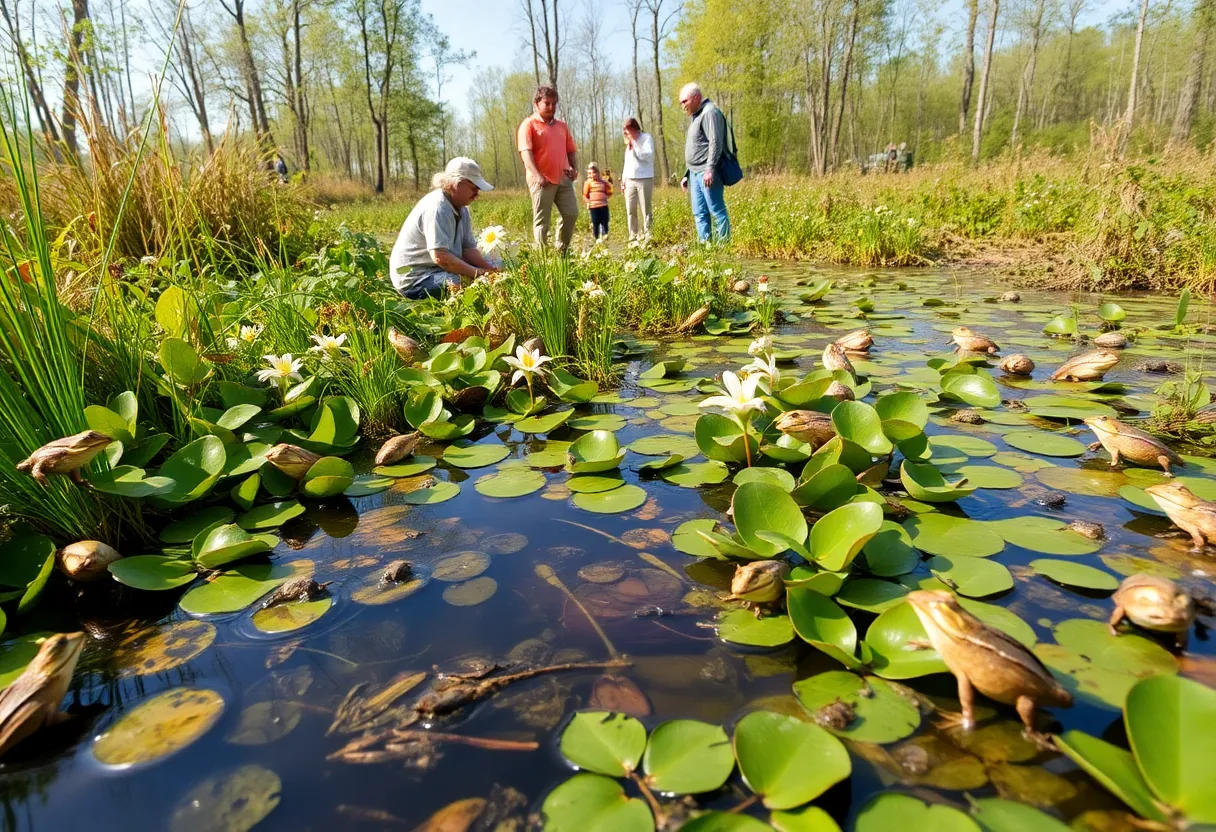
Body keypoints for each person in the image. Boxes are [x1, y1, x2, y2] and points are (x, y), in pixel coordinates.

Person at [388, 157, 499, 299]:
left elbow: (468, 249)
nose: (477, 194)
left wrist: (490, 270)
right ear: (456, 184)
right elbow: (441, 258)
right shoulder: (437, 208)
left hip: (437, 270)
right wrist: (479, 274)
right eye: (474, 188)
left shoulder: (462, 208)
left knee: (495, 264)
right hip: (416, 278)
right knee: (466, 284)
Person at [517, 85, 579, 252]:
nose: (551, 107)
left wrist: (574, 168)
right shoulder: (528, 125)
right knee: (542, 222)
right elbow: (526, 154)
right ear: (537, 104)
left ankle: (562, 251)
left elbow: (570, 149)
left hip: (563, 178)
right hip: (542, 181)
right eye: (547, 103)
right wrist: (537, 176)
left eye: (554, 104)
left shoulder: (562, 126)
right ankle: (543, 258)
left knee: (571, 213)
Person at [679, 82, 730, 243]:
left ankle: (724, 248)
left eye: (685, 101)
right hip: (694, 173)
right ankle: (706, 250)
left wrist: (709, 169)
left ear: (696, 98)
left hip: (706, 172)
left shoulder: (710, 112)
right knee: (699, 213)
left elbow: (715, 143)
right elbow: (697, 146)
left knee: (716, 210)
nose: (683, 106)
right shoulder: (696, 116)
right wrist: (687, 174)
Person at [621, 117, 655, 242]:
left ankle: (648, 233)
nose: (627, 135)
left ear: (634, 129)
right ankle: (633, 234)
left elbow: (648, 156)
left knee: (645, 208)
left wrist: (635, 147)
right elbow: (627, 163)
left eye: (628, 131)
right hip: (630, 180)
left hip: (644, 178)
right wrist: (623, 180)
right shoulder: (628, 145)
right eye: (625, 132)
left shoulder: (646, 138)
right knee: (630, 209)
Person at [582, 163, 613, 241]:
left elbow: (610, 191)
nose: (593, 175)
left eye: (595, 173)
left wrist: (607, 196)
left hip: (603, 205)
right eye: (591, 173)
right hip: (593, 206)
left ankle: (605, 235)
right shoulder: (588, 183)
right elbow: (585, 194)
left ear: (598, 173)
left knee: (605, 221)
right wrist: (587, 202)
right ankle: (597, 238)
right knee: (595, 223)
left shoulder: (603, 182)